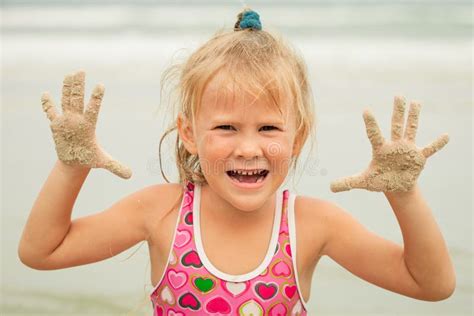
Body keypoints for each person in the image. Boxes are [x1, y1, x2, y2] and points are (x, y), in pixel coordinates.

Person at [18, 8, 456, 315]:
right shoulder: (161, 213)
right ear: (190, 133)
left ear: (298, 136)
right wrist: (70, 168)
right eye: (227, 128)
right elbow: (42, 252)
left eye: (268, 128)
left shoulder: (312, 224)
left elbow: (431, 285)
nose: (248, 148)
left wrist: (404, 195)